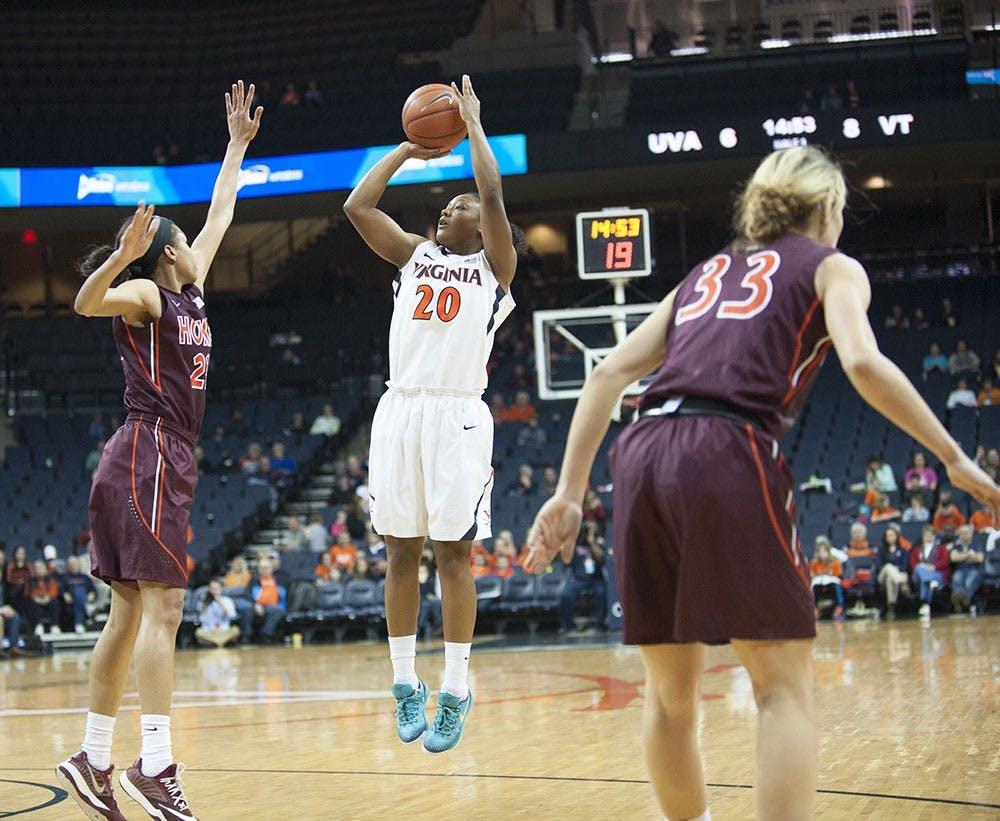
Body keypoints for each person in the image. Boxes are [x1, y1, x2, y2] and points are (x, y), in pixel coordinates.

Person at [523, 145, 1000, 821]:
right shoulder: (833, 266)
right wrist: (953, 455)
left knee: (670, 696)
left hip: (641, 449)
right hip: (726, 444)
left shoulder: (703, 274)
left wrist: (569, 494)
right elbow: (862, 361)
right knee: (781, 687)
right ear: (829, 209)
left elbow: (605, 375)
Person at [55, 80, 262, 821]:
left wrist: (236, 146)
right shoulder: (148, 295)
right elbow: (84, 303)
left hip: (154, 455)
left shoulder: (193, 289)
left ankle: (92, 754)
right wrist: (121, 257)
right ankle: (156, 762)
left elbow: (222, 210)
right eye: (186, 246)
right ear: (170, 255)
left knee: (127, 613)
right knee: (164, 608)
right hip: (148, 450)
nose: (200, 247)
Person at [343, 74, 522, 755]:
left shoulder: (495, 268)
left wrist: (472, 124)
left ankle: (455, 687)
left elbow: (495, 190)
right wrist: (406, 149)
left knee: (453, 552)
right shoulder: (414, 255)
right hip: (400, 408)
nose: (451, 207)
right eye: (446, 203)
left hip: (457, 418)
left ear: (481, 227)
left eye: (461, 204)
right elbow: (358, 206)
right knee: (399, 551)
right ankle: (401, 684)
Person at [560, 522, 608, 634]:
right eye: (588, 530)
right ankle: (568, 626)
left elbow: (602, 560)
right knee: (565, 594)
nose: (590, 533)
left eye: (593, 530)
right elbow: (567, 563)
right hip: (578, 579)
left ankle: (598, 623)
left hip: (596, 579)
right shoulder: (576, 545)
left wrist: (592, 543)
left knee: (602, 592)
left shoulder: (599, 544)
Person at [238, 557, 286, 643]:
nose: (264, 570)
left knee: (279, 610)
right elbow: (247, 594)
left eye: (266, 568)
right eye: (261, 568)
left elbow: (283, 594)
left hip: (272, 606)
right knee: (246, 609)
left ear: (271, 568)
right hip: (256, 605)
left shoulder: (279, 579)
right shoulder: (254, 580)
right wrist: (256, 604)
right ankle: (246, 636)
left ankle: (266, 635)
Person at [910, 524, 951, 617]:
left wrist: (934, 566)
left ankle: (924, 603)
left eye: (930, 535)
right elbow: (912, 564)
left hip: (937, 574)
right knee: (920, 568)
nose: (928, 538)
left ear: (934, 536)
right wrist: (924, 566)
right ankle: (930, 581)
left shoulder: (941, 548)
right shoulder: (917, 549)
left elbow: (945, 561)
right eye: (926, 535)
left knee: (926, 581)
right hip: (919, 575)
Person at [948, 524, 984, 613]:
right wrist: (969, 555)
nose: (963, 536)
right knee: (957, 579)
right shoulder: (956, 545)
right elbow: (953, 558)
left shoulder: (977, 544)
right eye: (961, 533)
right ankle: (964, 604)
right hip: (960, 569)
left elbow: (980, 558)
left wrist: (961, 556)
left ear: (971, 534)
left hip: (975, 569)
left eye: (966, 533)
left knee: (969, 582)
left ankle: (961, 604)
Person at [878, 526, 911, 618]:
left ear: (896, 536)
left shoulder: (903, 550)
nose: (890, 538)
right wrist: (893, 569)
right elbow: (879, 566)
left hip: (899, 574)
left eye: (892, 535)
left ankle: (891, 606)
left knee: (890, 579)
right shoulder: (881, 550)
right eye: (888, 536)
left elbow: (905, 566)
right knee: (888, 567)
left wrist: (895, 570)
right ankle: (902, 583)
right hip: (883, 575)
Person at [194, 580, 240, 647]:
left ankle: (216, 643)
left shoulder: (227, 600)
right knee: (198, 632)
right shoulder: (204, 601)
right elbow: (202, 618)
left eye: (217, 588)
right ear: (209, 590)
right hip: (209, 632)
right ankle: (219, 643)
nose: (215, 591)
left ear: (221, 590)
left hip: (224, 631)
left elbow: (232, 616)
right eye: (212, 588)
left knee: (236, 630)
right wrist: (204, 604)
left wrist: (219, 603)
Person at [809, 537, 844, 623]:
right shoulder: (814, 562)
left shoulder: (835, 562)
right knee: (814, 588)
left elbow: (838, 574)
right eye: (820, 552)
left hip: (831, 582)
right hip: (819, 583)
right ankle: (814, 609)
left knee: (835, 587)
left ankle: (839, 608)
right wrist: (816, 575)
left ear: (828, 552)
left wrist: (830, 574)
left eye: (824, 551)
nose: (822, 554)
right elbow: (811, 574)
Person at [61, 555, 97, 633]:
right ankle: (87, 607)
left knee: (79, 592)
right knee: (78, 590)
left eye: (76, 564)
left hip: (81, 600)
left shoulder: (85, 577)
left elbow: (93, 589)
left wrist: (92, 594)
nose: (75, 566)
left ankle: (79, 623)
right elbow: (62, 590)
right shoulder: (65, 578)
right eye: (72, 564)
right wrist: (65, 594)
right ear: (69, 566)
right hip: (71, 601)